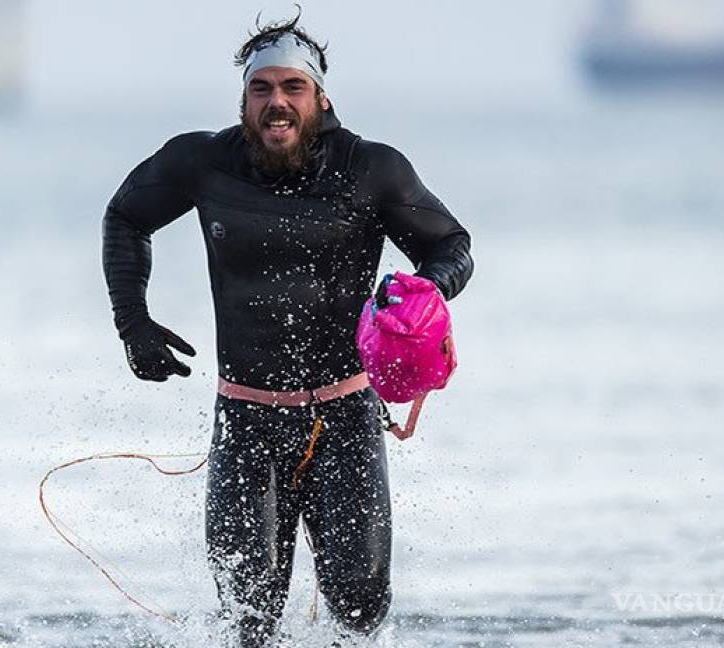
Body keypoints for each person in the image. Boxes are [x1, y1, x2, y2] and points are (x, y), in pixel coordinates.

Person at [101, 13, 473, 646]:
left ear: (319, 97)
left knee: (359, 614)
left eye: (291, 88)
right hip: (244, 423)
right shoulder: (203, 162)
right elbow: (125, 216)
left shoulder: (370, 169)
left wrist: (423, 295)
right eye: (261, 89)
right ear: (245, 99)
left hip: (346, 419)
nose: (277, 103)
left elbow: (451, 246)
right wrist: (132, 322)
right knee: (248, 624)